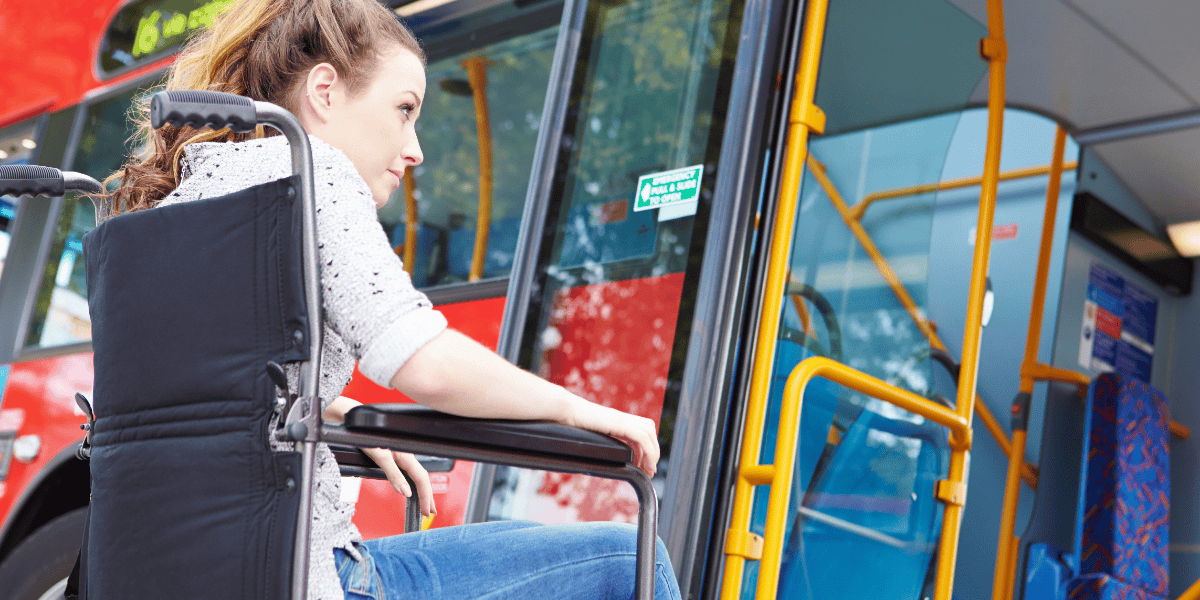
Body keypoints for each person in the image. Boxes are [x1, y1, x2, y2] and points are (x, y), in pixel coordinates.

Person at [100, 0, 682, 599]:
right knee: (629, 556)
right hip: (310, 575)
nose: (415, 149)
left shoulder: (176, 207)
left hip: (175, 577)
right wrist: (578, 410)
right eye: (404, 111)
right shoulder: (311, 174)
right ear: (324, 92)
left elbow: (195, 396)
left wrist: (329, 410)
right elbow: (422, 361)